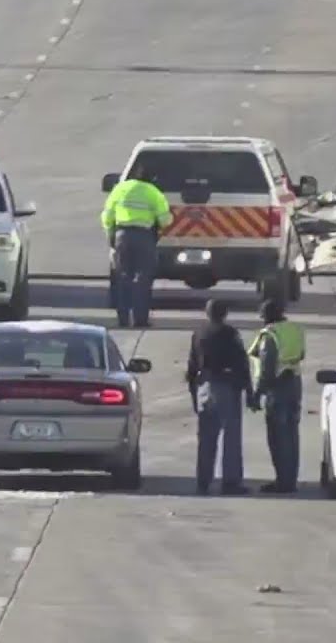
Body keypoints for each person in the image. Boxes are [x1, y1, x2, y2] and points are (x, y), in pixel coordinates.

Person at [185, 299, 254, 496]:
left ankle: (203, 482)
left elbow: (191, 367)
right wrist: (248, 391)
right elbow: (242, 363)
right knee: (231, 437)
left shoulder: (198, 334)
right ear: (225, 314)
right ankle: (230, 482)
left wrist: (193, 394)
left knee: (206, 438)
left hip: (204, 387)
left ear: (207, 313)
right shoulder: (231, 334)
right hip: (227, 386)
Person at [100, 168, 173, 329]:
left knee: (122, 279)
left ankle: (123, 319)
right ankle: (140, 319)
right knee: (143, 280)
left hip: (122, 236)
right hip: (144, 238)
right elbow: (165, 220)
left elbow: (107, 215)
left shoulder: (120, 189)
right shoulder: (152, 192)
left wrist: (110, 236)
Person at [248, 298, 306, 494]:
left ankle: (282, 482)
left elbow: (266, 369)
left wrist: (257, 395)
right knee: (291, 435)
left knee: (277, 437)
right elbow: (301, 354)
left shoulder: (270, 336)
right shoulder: (294, 330)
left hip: (277, 388)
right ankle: (290, 480)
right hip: (294, 384)